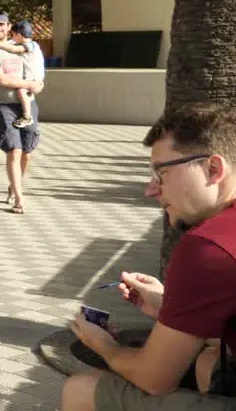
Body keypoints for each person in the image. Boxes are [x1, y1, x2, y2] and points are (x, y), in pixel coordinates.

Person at [62, 102, 236, 410]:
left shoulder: (208, 248)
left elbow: (154, 378)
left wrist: (102, 345)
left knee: (81, 390)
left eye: (162, 173)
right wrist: (173, 306)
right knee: (209, 362)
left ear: (213, 169)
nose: (150, 189)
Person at [0, 10, 45, 214]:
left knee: (27, 152)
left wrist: (39, 85)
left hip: (28, 104)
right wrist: (32, 84)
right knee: (14, 150)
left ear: (9, 27)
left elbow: (35, 67)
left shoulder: (21, 46)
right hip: (5, 106)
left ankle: (14, 184)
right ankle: (19, 197)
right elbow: (2, 80)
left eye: (1, 25)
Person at [0, 19, 46, 129]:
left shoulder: (31, 45)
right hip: (31, 78)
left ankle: (27, 116)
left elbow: (13, 49)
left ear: (18, 35)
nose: (11, 38)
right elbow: (9, 44)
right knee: (22, 91)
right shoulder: (22, 43)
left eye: (12, 35)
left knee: (21, 91)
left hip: (34, 78)